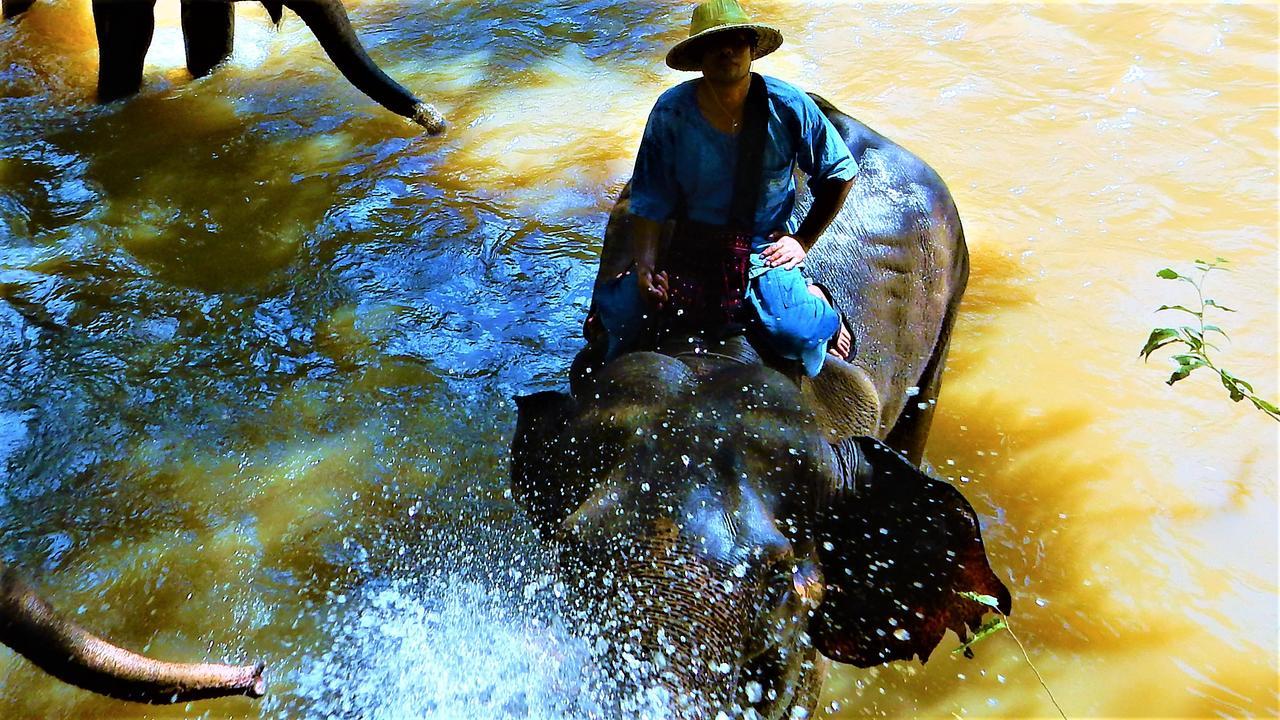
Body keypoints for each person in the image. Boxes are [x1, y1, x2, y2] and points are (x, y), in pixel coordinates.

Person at [592, 0, 857, 377]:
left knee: (792, 333)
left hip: (759, 249)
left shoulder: (789, 105)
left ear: (752, 49)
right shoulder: (671, 112)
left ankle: (821, 302)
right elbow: (650, 200)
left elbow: (840, 172)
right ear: (699, 57)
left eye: (736, 41)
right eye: (714, 44)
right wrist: (648, 266)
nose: (727, 51)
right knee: (620, 318)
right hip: (687, 248)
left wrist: (802, 241)